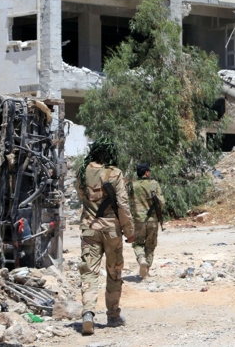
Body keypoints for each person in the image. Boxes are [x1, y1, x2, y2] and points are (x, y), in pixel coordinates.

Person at [76, 138, 134, 335]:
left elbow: (81, 197)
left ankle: (88, 314)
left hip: (89, 229)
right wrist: (130, 231)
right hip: (112, 230)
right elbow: (123, 205)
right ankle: (113, 315)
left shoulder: (82, 172)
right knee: (114, 271)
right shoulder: (115, 173)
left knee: (89, 271)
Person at [130, 163, 165, 278]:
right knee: (150, 245)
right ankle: (147, 269)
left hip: (138, 221)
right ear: (146, 172)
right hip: (152, 220)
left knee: (138, 243)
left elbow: (126, 202)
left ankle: (141, 260)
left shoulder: (132, 185)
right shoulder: (154, 184)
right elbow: (161, 202)